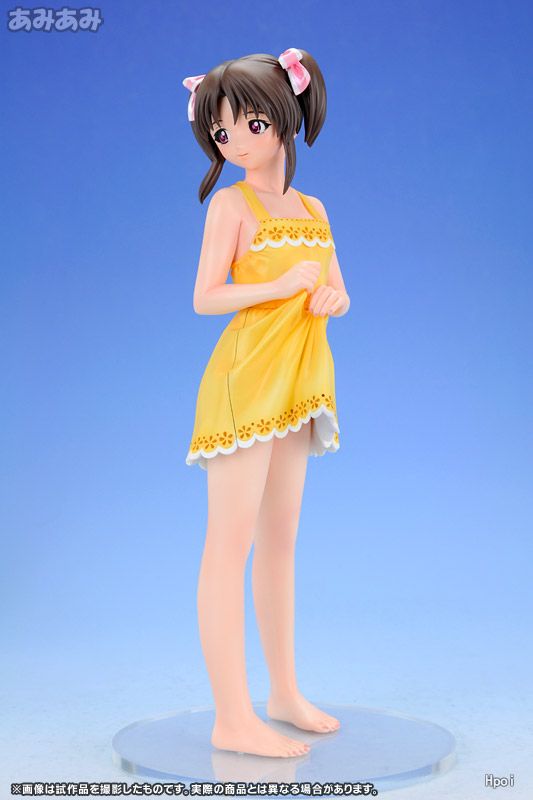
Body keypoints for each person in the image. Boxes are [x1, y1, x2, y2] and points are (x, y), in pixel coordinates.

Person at [182, 48, 350, 758]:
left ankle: (283, 693)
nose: (236, 142)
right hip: (245, 383)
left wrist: (329, 298)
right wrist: (280, 287)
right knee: (229, 545)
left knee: (280, 541)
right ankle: (231, 716)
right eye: (221, 132)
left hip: (299, 385)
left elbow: (338, 291)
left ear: (285, 118)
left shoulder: (312, 208)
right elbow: (205, 297)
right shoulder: (232, 205)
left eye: (249, 125)